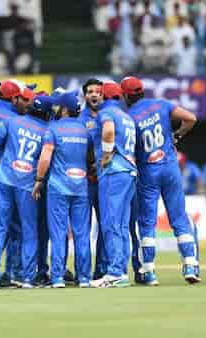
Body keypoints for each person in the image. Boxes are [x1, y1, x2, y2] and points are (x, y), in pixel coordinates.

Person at [120, 76, 200, 285]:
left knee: (147, 222)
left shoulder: (129, 117)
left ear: (126, 95)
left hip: (148, 171)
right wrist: (177, 135)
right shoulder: (162, 104)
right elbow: (191, 118)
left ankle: (149, 271)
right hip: (171, 167)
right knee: (179, 218)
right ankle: (190, 265)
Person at [0, 81, 48, 289]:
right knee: (29, 231)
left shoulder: (12, 122)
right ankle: (27, 278)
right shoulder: (46, 132)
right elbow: (46, 161)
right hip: (27, 186)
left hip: (4, 181)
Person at [32, 91, 93, 288]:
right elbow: (91, 155)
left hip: (58, 188)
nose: (55, 109)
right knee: (82, 234)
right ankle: (84, 277)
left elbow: (45, 156)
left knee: (58, 234)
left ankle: (57, 277)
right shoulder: (85, 130)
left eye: (58, 106)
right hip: (81, 188)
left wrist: (39, 179)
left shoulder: (53, 128)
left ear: (64, 109)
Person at [89, 82, 137, 288]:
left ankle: (115, 272)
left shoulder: (106, 112)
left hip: (113, 172)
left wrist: (107, 153)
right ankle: (122, 272)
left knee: (110, 222)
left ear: (104, 96)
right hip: (129, 171)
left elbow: (108, 131)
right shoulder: (127, 117)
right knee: (122, 224)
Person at [77, 78, 106, 279]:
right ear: (84, 96)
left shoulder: (110, 116)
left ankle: (101, 270)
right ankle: (83, 273)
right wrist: (90, 165)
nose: (94, 94)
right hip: (85, 182)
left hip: (105, 180)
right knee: (83, 228)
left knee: (106, 226)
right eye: (90, 91)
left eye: (98, 91)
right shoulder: (79, 119)